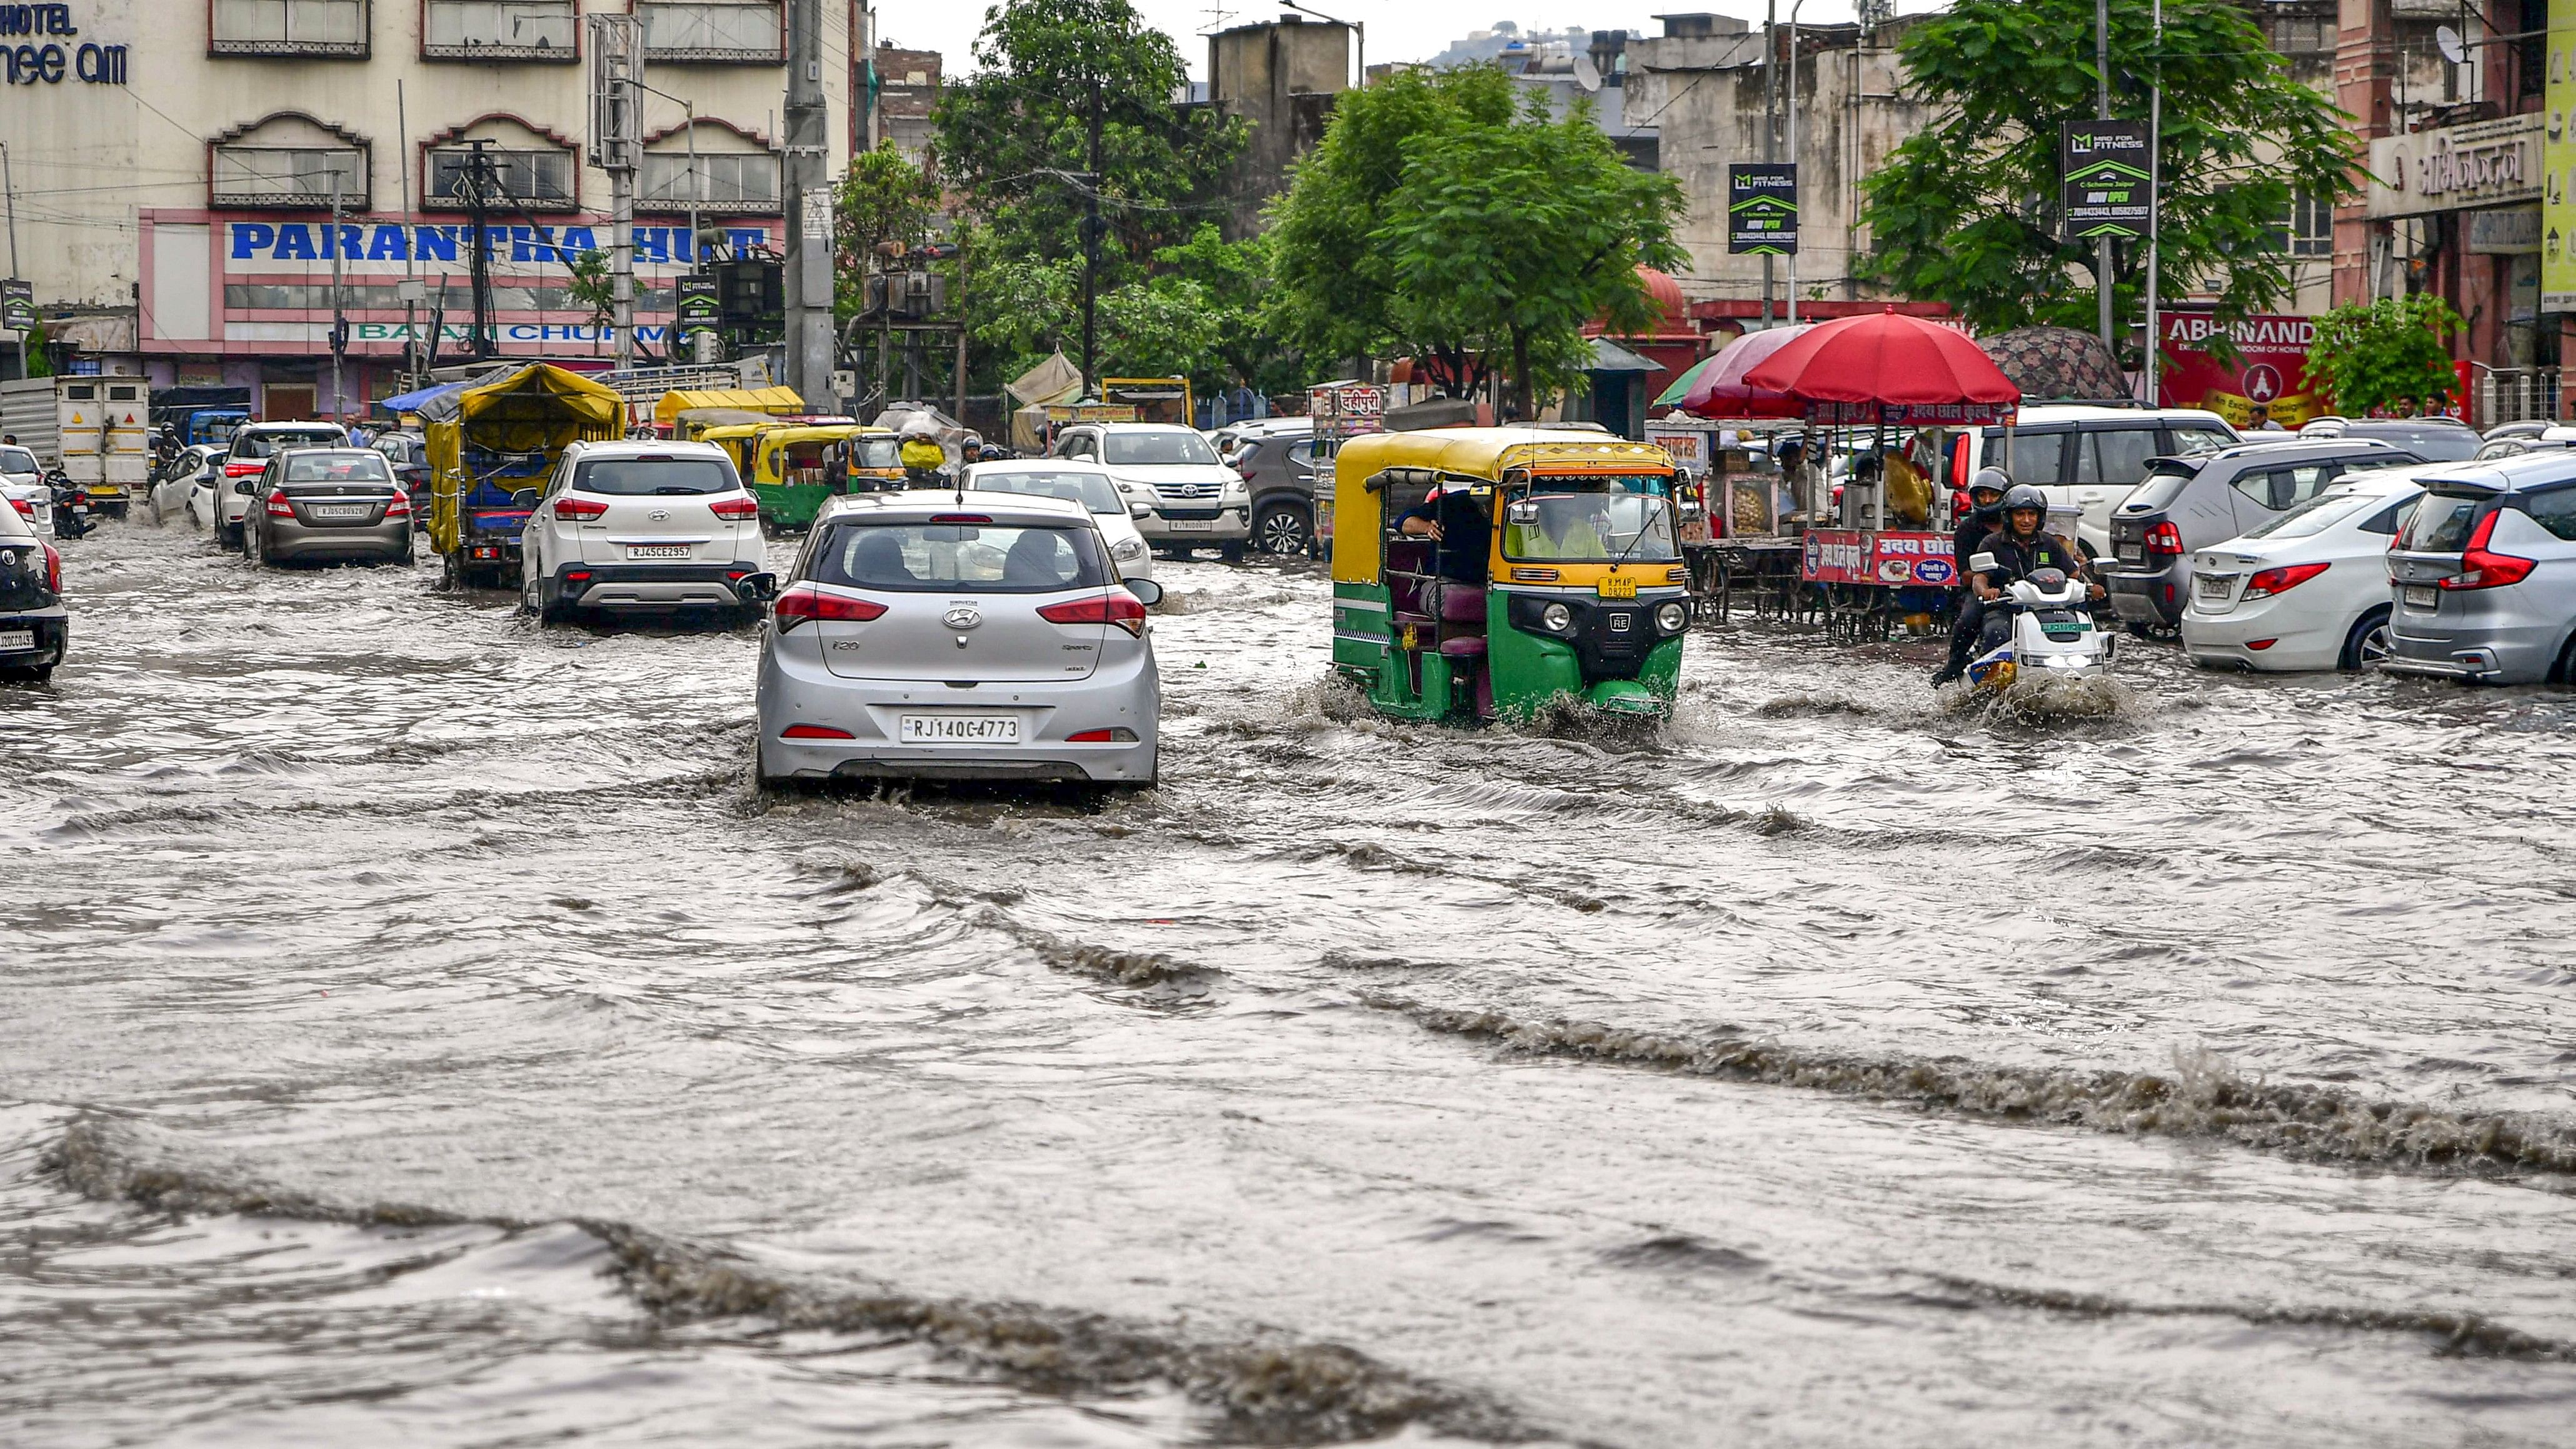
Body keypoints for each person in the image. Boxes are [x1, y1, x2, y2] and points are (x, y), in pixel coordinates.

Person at [1968, 484, 2098, 655]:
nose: (2027, 520)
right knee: (1996, 631)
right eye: (2020, 514)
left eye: (2032, 514)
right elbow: (1980, 577)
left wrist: (2090, 586)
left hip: (2050, 610)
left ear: (2040, 518)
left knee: (2092, 630)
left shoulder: (2050, 543)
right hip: (2007, 610)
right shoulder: (1992, 543)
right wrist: (1985, 591)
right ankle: (1971, 672)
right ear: (2008, 517)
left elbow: (2074, 574)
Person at [1930, 468, 2012, 684]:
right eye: (1982, 495)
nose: (1987, 500)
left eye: (1993, 495)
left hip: (2022, 588)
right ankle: (1955, 663)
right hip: (1981, 590)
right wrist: (1989, 579)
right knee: (1968, 619)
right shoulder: (1967, 530)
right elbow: (1965, 573)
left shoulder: (2018, 525)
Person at [1397, 483, 1491, 586]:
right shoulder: (1454, 503)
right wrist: (1427, 527)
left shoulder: (1509, 505)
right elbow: (1402, 522)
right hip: (1446, 581)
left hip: (1491, 582)